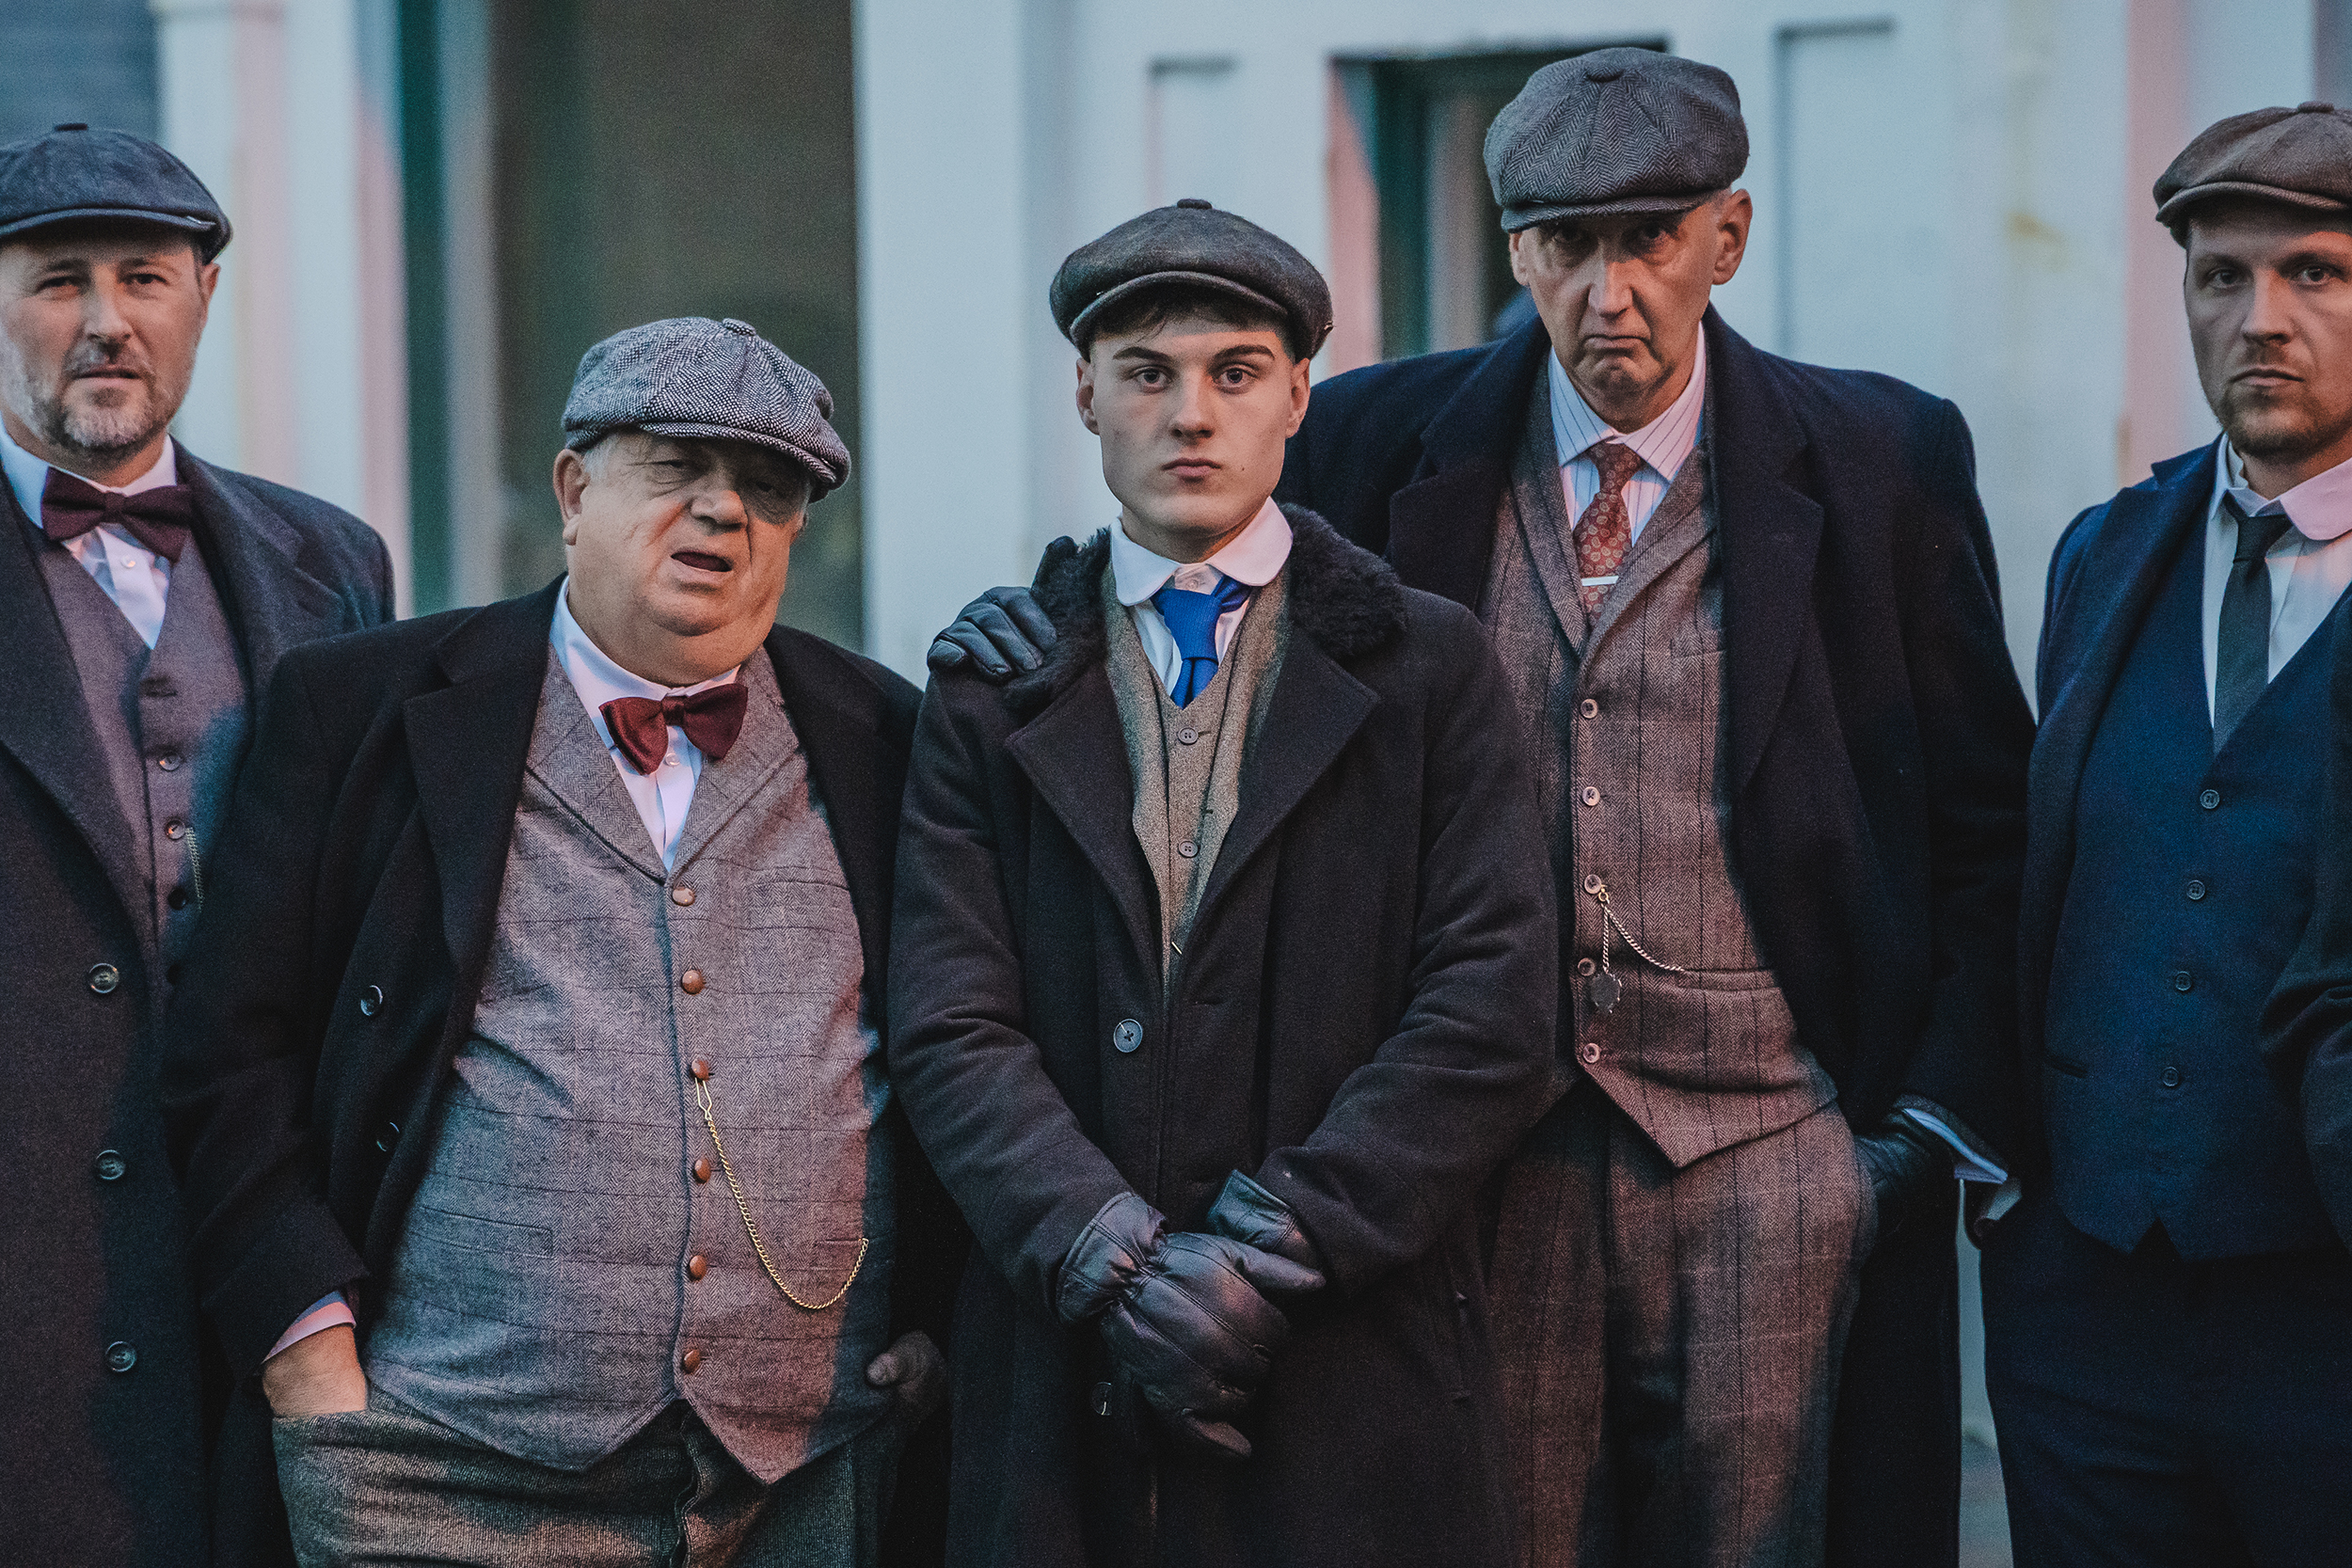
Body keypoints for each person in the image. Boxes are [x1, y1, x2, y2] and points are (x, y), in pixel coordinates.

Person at [930, 51, 2032, 1568]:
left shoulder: (1881, 456)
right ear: (1515, 250)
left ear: (1729, 235)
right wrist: (1037, 621)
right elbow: (1198, 542)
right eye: (1563, 245)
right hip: (1469, 1182)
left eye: (1649, 239)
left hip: (1773, 1153)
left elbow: (1985, 817)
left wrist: (1906, 1141)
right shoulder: (1383, 437)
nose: (1609, 290)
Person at [159, 317, 961, 1567]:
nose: (722, 513)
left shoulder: (887, 732)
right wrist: (303, 1344)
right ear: (575, 489)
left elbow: (964, 1033)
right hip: (433, 1467)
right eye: (676, 469)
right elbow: (229, 1050)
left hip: (805, 1474)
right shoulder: (359, 708)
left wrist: (937, 1318)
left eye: (767, 488)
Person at [889, 201, 1556, 1568]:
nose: (1191, 412)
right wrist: (1114, 1262)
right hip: (1067, 1362)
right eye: (1146, 371)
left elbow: (1488, 1011)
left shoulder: (1426, 668)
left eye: (1236, 371)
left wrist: (1268, 1251)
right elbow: (952, 1025)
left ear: (1300, 394)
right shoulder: (989, 690)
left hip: (1348, 1347)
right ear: (1085, 395)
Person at [0, 122, 394, 1567]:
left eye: (145, 277)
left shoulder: (335, 559)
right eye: (57, 281)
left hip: (273, 1248)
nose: (107, 321)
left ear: (205, 297)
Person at [1990, 103, 2352, 1566]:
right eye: (2221, 277)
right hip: (2091, 1305)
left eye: (2315, 274)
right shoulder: (2105, 549)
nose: (2260, 319)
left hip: (2326, 1299)